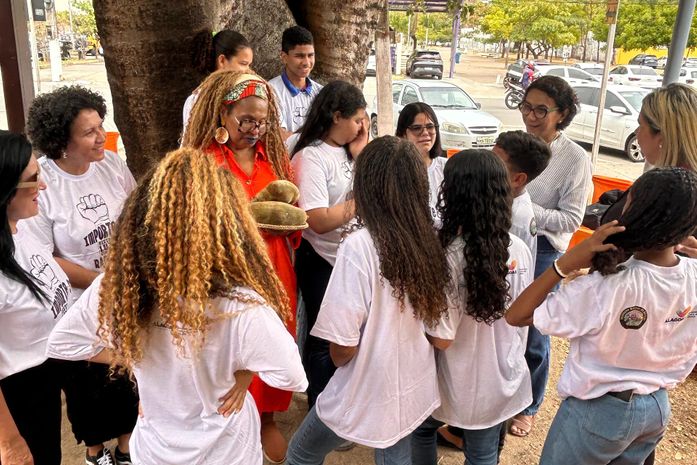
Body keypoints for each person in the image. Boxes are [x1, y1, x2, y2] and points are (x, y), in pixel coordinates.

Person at [46, 147, 308, 465]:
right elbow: (293, 377)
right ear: (229, 227)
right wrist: (244, 372)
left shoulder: (117, 287)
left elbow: (62, 343)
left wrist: (133, 354)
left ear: (140, 217)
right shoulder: (242, 306)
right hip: (225, 451)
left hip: (155, 449)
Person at [506, 166, 697, 465]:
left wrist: (564, 264)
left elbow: (516, 315)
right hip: (656, 408)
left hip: (600, 413)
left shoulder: (605, 287)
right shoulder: (694, 274)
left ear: (637, 211)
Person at [286, 136, 450, 465]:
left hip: (365, 383)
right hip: (412, 379)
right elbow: (438, 326)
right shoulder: (431, 234)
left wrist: (346, 360)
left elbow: (342, 345)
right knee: (395, 452)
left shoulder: (360, 246)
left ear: (365, 184)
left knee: (301, 453)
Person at [182, 69, 297, 463]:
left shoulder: (275, 159)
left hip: (276, 270)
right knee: (229, 348)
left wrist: (285, 218)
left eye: (262, 122)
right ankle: (230, 422)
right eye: (246, 120)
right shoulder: (202, 162)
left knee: (272, 341)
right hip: (225, 276)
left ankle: (266, 418)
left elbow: (293, 217)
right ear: (222, 115)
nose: (255, 129)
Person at [25, 85, 138, 465]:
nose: (100, 136)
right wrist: (102, 283)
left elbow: (135, 215)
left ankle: (125, 447)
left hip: (124, 295)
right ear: (62, 142)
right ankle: (95, 452)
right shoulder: (47, 183)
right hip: (78, 305)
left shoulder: (110, 164)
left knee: (128, 374)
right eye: (89, 132)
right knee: (85, 384)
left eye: (100, 126)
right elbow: (45, 257)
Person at [410, 149, 534, 465]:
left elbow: (441, 338)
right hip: (500, 376)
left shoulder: (451, 256)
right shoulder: (518, 249)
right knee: (482, 454)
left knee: (422, 430)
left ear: (454, 195)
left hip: (453, 380)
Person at [511, 75, 593, 438]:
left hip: (544, 248)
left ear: (562, 114)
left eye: (540, 110)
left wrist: (526, 209)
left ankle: (529, 406)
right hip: (507, 240)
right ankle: (504, 392)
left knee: (534, 327)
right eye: (526, 106)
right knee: (501, 320)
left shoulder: (575, 159)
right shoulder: (514, 144)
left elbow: (572, 219)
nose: (530, 115)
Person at [290, 80, 368, 409]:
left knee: (351, 335)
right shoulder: (311, 156)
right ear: (337, 117)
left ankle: (344, 403)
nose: (362, 126)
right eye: (357, 119)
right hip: (322, 259)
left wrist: (362, 155)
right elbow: (317, 219)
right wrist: (360, 201)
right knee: (325, 339)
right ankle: (321, 409)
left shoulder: (353, 150)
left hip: (352, 258)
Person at [0, 130, 71, 465]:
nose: (42, 185)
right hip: (15, 399)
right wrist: (9, 442)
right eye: (32, 179)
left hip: (43, 382)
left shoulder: (22, 226)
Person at [493, 130, 552, 266]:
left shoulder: (514, 220)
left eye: (495, 164)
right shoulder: (504, 199)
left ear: (518, 179)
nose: (487, 166)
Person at [183, 29, 253, 131]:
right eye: (243, 64)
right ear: (222, 60)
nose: (248, 71)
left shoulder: (250, 95)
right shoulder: (195, 102)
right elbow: (189, 143)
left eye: (249, 65)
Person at [395, 102, 446, 227]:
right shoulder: (394, 171)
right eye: (416, 128)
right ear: (403, 134)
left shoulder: (448, 168)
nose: (425, 133)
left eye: (430, 126)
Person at [268, 26, 323, 140]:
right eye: (299, 56)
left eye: (310, 55)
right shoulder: (270, 90)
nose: (306, 62)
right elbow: (278, 133)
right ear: (284, 57)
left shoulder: (321, 92)